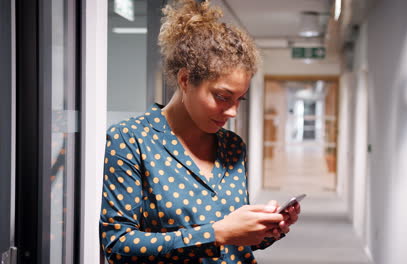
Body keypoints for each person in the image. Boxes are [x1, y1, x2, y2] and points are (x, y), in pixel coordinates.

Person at [99, 0, 301, 263]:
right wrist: (216, 234)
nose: (232, 112)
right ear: (185, 80)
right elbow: (117, 246)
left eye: (240, 99)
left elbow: (235, 244)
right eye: (222, 97)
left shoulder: (232, 146)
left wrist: (267, 230)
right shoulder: (131, 140)